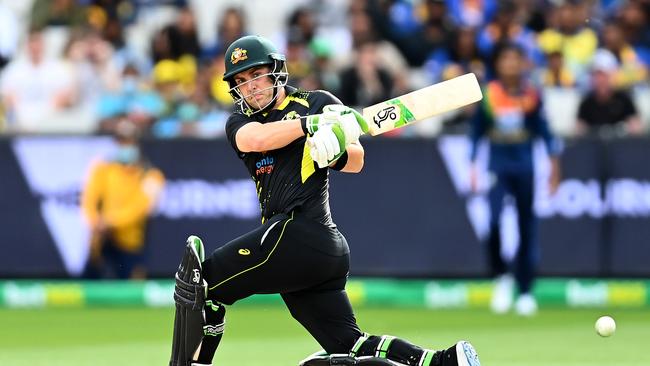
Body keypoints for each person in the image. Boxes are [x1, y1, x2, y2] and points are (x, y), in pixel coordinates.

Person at [168, 35, 480, 366]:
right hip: (303, 252)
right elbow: (255, 141)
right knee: (350, 345)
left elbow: (357, 159)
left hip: (299, 232)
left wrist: (335, 150)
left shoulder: (316, 101)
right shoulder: (241, 122)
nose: (251, 87)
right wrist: (312, 127)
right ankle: (444, 361)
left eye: (256, 75)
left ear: (275, 72)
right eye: (241, 81)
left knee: (203, 283)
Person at [469, 43, 561, 317]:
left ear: (522, 64)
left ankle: (525, 291)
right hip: (498, 165)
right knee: (494, 221)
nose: (510, 64)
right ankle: (501, 278)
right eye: (505, 59)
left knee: (526, 227)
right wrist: (473, 165)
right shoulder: (489, 94)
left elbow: (545, 133)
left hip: (525, 166)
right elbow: (476, 132)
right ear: (498, 64)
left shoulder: (532, 95)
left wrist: (555, 170)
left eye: (515, 59)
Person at [81, 119, 165, 279]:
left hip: (130, 242)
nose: (124, 146)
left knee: (131, 287)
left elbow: (140, 208)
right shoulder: (103, 168)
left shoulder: (151, 175)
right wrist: (94, 222)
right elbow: (89, 199)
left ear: (136, 143)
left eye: (128, 141)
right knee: (89, 283)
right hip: (101, 239)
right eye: (120, 141)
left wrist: (111, 222)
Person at [576, 49, 643, 137]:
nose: (600, 80)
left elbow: (636, 127)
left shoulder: (624, 100)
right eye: (596, 75)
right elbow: (579, 130)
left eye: (604, 75)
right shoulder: (587, 103)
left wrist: (624, 129)